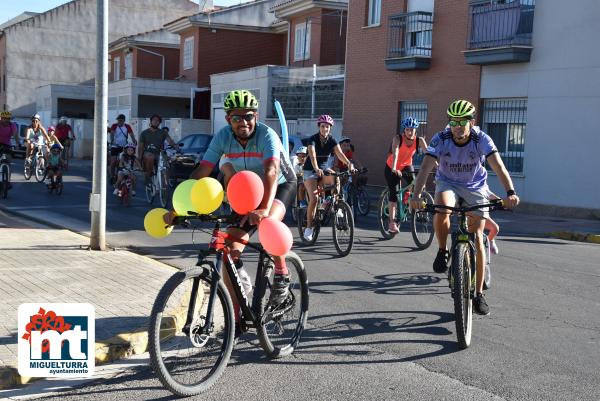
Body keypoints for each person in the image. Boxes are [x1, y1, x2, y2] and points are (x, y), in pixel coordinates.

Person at [166, 89, 296, 316]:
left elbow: (271, 171)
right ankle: (238, 314)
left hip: (280, 184)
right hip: (247, 190)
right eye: (236, 117)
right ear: (228, 120)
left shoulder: (267, 135)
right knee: (230, 249)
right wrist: (178, 207)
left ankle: (282, 273)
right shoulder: (223, 137)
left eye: (248, 116)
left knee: (268, 225)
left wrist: (264, 209)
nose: (243, 122)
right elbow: (203, 171)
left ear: (256, 116)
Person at [410, 100, 519, 316]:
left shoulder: (481, 139)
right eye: (453, 121)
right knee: (443, 208)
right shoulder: (441, 138)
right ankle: (443, 250)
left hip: (475, 186)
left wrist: (510, 193)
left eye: (462, 121)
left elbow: (498, 165)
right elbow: (425, 167)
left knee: (478, 237)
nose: (457, 126)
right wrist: (416, 195)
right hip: (447, 183)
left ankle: (478, 294)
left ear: (472, 121)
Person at [302, 115, 355, 241]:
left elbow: (340, 154)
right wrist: (316, 168)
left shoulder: (332, 140)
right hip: (310, 170)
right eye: (322, 126)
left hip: (324, 168)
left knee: (335, 177)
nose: (325, 129)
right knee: (314, 199)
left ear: (330, 128)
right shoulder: (312, 139)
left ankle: (335, 204)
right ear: (319, 127)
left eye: (327, 127)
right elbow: (312, 155)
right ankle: (309, 227)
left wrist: (349, 164)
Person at [385, 117, 428, 233]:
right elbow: (395, 153)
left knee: (416, 184)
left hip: (406, 165)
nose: (410, 132)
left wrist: (439, 167)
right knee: (394, 194)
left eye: (412, 130)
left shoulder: (419, 140)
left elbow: (429, 155)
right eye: (408, 129)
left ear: (416, 130)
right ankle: (392, 222)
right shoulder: (398, 138)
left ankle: (406, 198)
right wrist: (394, 168)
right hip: (391, 167)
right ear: (404, 130)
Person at [138, 114, 179, 188]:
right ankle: (148, 176)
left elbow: (169, 141)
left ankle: (168, 180)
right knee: (150, 156)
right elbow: (140, 147)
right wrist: (139, 158)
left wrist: (175, 146)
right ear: (151, 122)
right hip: (147, 153)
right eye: (154, 120)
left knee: (169, 160)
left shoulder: (163, 132)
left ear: (159, 123)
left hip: (159, 153)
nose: (156, 122)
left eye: (158, 121)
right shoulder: (144, 133)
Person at [110, 114, 136, 181]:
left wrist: (134, 141)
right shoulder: (114, 126)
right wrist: (112, 141)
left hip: (124, 146)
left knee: (125, 160)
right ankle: (112, 176)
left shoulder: (127, 126)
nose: (119, 122)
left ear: (124, 121)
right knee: (113, 161)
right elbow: (112, 134)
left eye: (121, 120)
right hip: (115, 146)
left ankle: (124, 173)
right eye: (118, 120)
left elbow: (131, 134)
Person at [0, 111, 19, 188]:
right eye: (4, 118)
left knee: (8, 162)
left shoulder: (12, 125)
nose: (6, 120)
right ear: (1, 118)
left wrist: (17, 144)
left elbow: (15, 135)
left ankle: (8, 181)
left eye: (8, 119)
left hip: (7, 144)